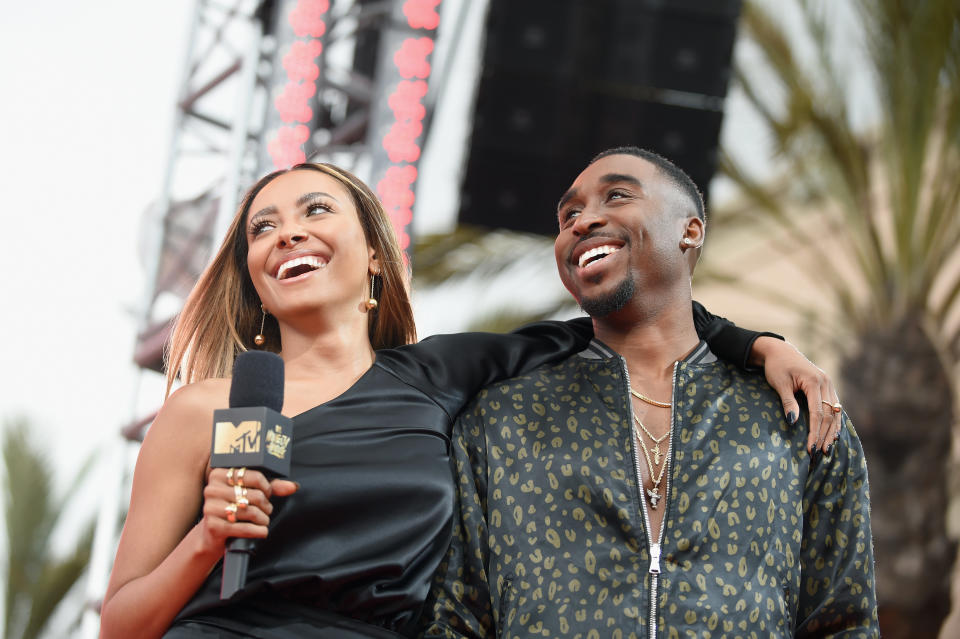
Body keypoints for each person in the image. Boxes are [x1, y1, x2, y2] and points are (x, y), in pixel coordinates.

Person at [98, 162, 842, 639]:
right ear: (255, 276)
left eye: (315, 210)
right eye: (263, 226)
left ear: (375, 263)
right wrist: (206, 539)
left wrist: (758, 345)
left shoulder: (441, 376)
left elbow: (628, 320)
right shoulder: (204, 410)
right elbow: (121, 624)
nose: (286, 231)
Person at [421, 148, 878, 637]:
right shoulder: (499, 418)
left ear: (691, 229)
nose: (582, 221)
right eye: (568, 215)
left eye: (617, 196)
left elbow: (843, 620)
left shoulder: (794, 412)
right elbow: (455, 619)